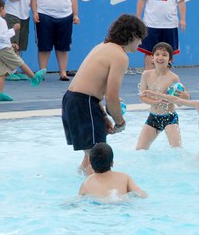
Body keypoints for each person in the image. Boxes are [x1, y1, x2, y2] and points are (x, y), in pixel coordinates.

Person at [62, 14, 147, 175]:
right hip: (84, 103)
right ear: (132, 35)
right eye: (140, 38)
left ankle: (83, 184)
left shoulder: (102, 46)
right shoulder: (120, 56)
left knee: (90, 156)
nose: (141, 43)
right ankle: (93, 190)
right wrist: (120, 122)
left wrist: (103, 116)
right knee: (99, 160)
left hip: (72, 100)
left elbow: (93, 90)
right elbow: (111, 96)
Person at [31, 0, 79, 81]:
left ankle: (63, 73)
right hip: (44, 14)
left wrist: (75, 14)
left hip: (65, 15)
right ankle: (42, 73)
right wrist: (34, 12)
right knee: (44, 47)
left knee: (63, 47)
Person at [0, 0, 46, 101]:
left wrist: (11, 44)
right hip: (4, 50)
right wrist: (13, 29)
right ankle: (34, 77)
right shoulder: (1, 21)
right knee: (20, 62)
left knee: (2, 73)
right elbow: (3, 36)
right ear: (1, 9)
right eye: (5, 9)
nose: (5, 11)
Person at [135, 42, 190, 150]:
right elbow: (142, 97)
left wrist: (184, 96)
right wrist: (157, 102)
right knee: (140, 150)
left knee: (177, 150)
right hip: (153, 117)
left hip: (170, 118)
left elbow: (183, 101)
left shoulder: (173, 78)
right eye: (157, 54)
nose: (160, 57)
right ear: (152, 58)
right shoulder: (146, 75)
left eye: (164, 55)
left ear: (170, 59)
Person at [78, 143, 147, 200]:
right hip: (121, 204)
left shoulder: (86, 183)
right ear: (112, 163)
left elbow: (79, 200)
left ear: (89, 162)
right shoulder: (124, 177)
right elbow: (142, 195)